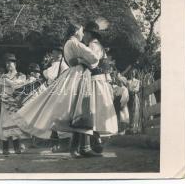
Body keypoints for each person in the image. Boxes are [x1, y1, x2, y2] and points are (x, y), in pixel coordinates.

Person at [14, 22, 101, 158]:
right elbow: (94, 58)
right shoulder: (74, 43)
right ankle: (79, 148)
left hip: (75, 74)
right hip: (79, 75)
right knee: (80, 110)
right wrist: (86, 62)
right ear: (76, 31)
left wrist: (82, 60)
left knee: (77, 112)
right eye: (81, 31)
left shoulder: (68, 43)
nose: (82, 34)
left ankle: (79, 148)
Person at [81, 22, 118, 154]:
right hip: (98, 80)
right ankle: (95, 142)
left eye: (84, 33)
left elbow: (92, 62)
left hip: (95, 81)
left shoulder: (93, 45)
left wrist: (79, 60)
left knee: (93, 110)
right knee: (94, 111)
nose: (83, 36)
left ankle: (95, 141)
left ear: (89, 34)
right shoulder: (98, 45)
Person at [0, 53, 28, 155]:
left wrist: (6, 81)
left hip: (15, 102)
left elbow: (18, 85)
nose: (9, 65)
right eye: (7, 63)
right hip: (5, 103)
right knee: (4, 124)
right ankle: (5, 148)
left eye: (11, 63)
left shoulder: (21, 75)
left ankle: (17, 147)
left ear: (15, 64)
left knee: (15, 124)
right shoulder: (3, 76)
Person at [127, 68, 141, 134]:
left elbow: (137, 89)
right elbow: (128, 89)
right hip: (129, 97)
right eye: (131, 73)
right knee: (130, 111)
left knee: (135, 111)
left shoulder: (137, 81)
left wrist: (133, 90)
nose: (132, 74)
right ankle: (130, 128)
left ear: (135, 73)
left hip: (135, 97)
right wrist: (132, 89)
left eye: (133, 73)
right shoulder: (128, 81)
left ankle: (135, 128)